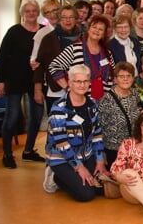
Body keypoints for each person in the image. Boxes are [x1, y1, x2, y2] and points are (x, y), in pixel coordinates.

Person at [44, 64, 109, 201]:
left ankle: (74, 176)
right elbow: (62, 143)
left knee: (102, 189)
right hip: (61, 157)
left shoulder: (92, 104)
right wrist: (79, 168)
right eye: (77, 81)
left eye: (85, 81)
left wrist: (99, 160)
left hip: (86, 154)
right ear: (70, 83)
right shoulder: (59, 108)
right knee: (86, 194)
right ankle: (56, 177)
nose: (82, 85)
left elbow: (96, 133)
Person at [0, 0, 45, 168]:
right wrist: (0, 81)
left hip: (35, 81)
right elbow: (2, 57)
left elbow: (47, 55)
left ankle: (28, 151)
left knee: (37, 117)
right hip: (14, 80)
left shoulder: (44, 31)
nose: (31, 13)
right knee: (12, 118)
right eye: (27, 11)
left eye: (34, 10)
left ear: (38, 12)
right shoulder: (13, 31)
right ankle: (7, 153)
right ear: (22, 13)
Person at [49, 14, 115, 100]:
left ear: (104, 34)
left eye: (100, 29)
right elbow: (54, 66)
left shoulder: (107, 53)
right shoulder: (75, 48)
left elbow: (114, 75)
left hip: (104, 102)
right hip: (80, 100)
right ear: (88, 29)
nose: (97, 31)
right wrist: (68, 87)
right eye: (94, 27)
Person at [98, 61, 141, 167]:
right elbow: (98, 127)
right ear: (115, 79)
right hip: (114, 149)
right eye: (121, 76)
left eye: (128, 76)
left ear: (133, 78)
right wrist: (100, 154)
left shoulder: (135, 94)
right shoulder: (106, 99)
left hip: (134, 146)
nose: (125, 79)